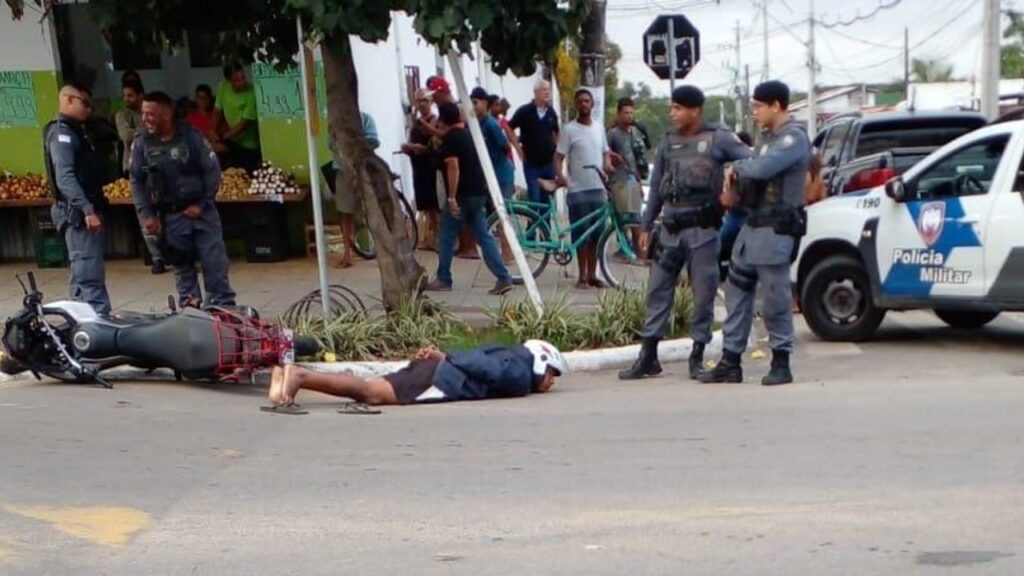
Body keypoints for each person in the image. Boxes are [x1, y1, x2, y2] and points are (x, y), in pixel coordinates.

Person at [619, 86, 752, 381]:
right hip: (670, 230)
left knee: (702, 295)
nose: (672, 113)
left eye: (678, 108)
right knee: (657, 291)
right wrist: (645, 225)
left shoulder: (718, 139)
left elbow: (751, 162)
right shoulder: (668, 141)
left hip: (703, 231)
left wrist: (732, 191)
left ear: (695, 110)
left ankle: (697, 356)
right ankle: (648, 356)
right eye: (672, 108)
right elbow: (656, 187)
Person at [700, 80, 812, 386]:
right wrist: (740, 167)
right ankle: (731, 361)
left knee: (775, 299)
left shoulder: (793, 139)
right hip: (752, 228)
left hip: (776, 229)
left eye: (759, 106)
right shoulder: (767, 139)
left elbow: (763, 168)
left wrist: (738, 168)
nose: (755, 112)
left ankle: (781, 361)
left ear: (776, 105)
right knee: (736, 293)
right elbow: (754, 162)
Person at [131, 91, 236, 308]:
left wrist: (202, 204)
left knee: (215, 267)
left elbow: (212, 172)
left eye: (150, 114)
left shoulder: (192, 137)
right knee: (183, 270)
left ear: (166, 114)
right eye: (143, 114)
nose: (145, 119)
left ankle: (223, 312)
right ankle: (191, 313)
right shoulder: (143, 144)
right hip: (171, 218)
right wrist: (146, 215)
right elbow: (138, 180)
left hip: (202, 215)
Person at [267, 340, 566, 409]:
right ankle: (301, 377)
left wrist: (443, 356)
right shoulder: (518, 372)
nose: (550, 382)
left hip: (435, 371)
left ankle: (282, 380)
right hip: (437, 378)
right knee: (370, 393)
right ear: (541, 360)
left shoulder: (511, 354)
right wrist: (445, 357)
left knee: (369, 389)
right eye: (552, 373)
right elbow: (484, 368)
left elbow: (476, 357)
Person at [424, 102, 515, 296]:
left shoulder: (451, 141)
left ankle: (444, 278)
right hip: (478, 192)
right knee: (483, 236)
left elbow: (453, 167)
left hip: (462, 194)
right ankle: (503, 277)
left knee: (447, 236)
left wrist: (451, 197)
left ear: (442, 121)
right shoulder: (467, 135)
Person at [43, 83, 112, 315]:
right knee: (88, 275)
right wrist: (87, 209)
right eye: (85, 103)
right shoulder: (62, 134)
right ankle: (95, 328)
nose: (89, 109)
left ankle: (80, 324)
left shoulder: (76, 131)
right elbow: (65, 178)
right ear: (69, 100)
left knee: (83, 274)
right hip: (77, 214)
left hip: (83, 210)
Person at [554, 89, 615, 289]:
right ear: (576, 104)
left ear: (592, 104)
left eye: (587, 101)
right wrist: (561, 176)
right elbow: (558, 157)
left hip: (598, 189)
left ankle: (592, 275)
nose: (583, 104)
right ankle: (581, 276)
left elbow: (605, 152)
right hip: (577, 190)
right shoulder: (570, 129)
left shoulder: (599, 128)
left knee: (597, 234)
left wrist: (607, 165)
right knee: (581, 234)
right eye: (580, 101)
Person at [115, 81, 167, 275]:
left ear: (140, 96)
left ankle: (174, 252)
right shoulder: (122, 115)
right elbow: (126, 135)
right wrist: (146, 129)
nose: (127, 99)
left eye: (130, 95)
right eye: (125, 96)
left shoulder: (153, 114)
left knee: (165, 211)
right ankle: (157, 257)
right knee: (144, 213)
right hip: (136, 168)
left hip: (159, 168)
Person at [330, 111, 381, 268]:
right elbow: (331, 144)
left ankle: (381, 249)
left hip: (364, 168)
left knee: (372, 210)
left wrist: (355, 141)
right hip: (343, 169)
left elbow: (375, 141)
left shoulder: (365, 118)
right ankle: (347, 254)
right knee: (345, 212)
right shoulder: (335, 122)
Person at [401, 89, 441, 251]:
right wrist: (408, 148)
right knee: (425, 206)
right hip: (418, 167)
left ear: (430, 102)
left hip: (431, 167)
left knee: (435, 206)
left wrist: (423, 149)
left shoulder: (435, 121)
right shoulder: (416, 123)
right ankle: (429, 238)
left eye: (424, 100)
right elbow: (412, 142)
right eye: (418, 101)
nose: (421, 104)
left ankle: (439, 239)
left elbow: (437, 146)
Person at [510, 79, 560, 207]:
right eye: (544, 90)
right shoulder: (525, 111)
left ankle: (545, 227)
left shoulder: (551, 112)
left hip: (549, 164)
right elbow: (508, 127)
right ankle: (532, 225)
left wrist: (556, 150)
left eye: (548, 90)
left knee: (547, 202)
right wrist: (517, 148)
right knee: (535, 201)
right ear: (536, 92)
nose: (547, 93)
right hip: (532, 165)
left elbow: (557, 132)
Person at [606, 98, 646, 253]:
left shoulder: (636, 134)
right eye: (626, 113)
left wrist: (640, 183)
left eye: (631, 113)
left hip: (633, 180)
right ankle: (626, 249)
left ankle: (638, 252)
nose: (629, 116)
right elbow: (604, 153)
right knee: (623, 218)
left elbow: (638, 161)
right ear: (618, 114)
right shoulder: (612, 134)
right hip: (619, 180)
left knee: (635, 218)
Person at [213, 63, 261, 172]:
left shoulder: (252, 92)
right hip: (231, 142)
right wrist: (212, 129)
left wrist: (224, 136)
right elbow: (217, 111)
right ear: (229, 80)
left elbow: (244, 123)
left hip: (248, 146)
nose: (242, 82)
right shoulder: (223, 87)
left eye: (243, 77)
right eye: (237, 79)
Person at [186, 84, 225, 155]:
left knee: (222, 147)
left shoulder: (216, 114)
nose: (203, 101)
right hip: (199, 149)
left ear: (210, 99)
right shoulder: (191, 116)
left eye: (206, 97)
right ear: (196, 98)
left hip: (215, 150)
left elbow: (222, 136)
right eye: (200, 97)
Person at [489, 94, 524, 161]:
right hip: (496, 156)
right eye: (496, 105)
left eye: (499, 105)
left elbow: (511, 136)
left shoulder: (502, 120)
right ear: (490, 107)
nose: (499, 107)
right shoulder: (489, 122)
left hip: (508, 156)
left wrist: (518, 147)